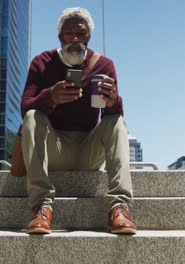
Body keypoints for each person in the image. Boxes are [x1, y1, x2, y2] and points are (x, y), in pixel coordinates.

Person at [20, 7, 136, 235]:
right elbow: (25, 106)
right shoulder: (42, 62)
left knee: (117, 122)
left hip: (88, 150)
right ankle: (41, 207)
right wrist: (49, 97)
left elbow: (111, 116)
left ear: (89, 36)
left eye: (81, 34)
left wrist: (112, 100)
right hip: (54, 148)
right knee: (33, 115)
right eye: (68, 33)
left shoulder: (104, 65)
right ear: (59, 35)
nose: (75, 38)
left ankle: (119, 207)